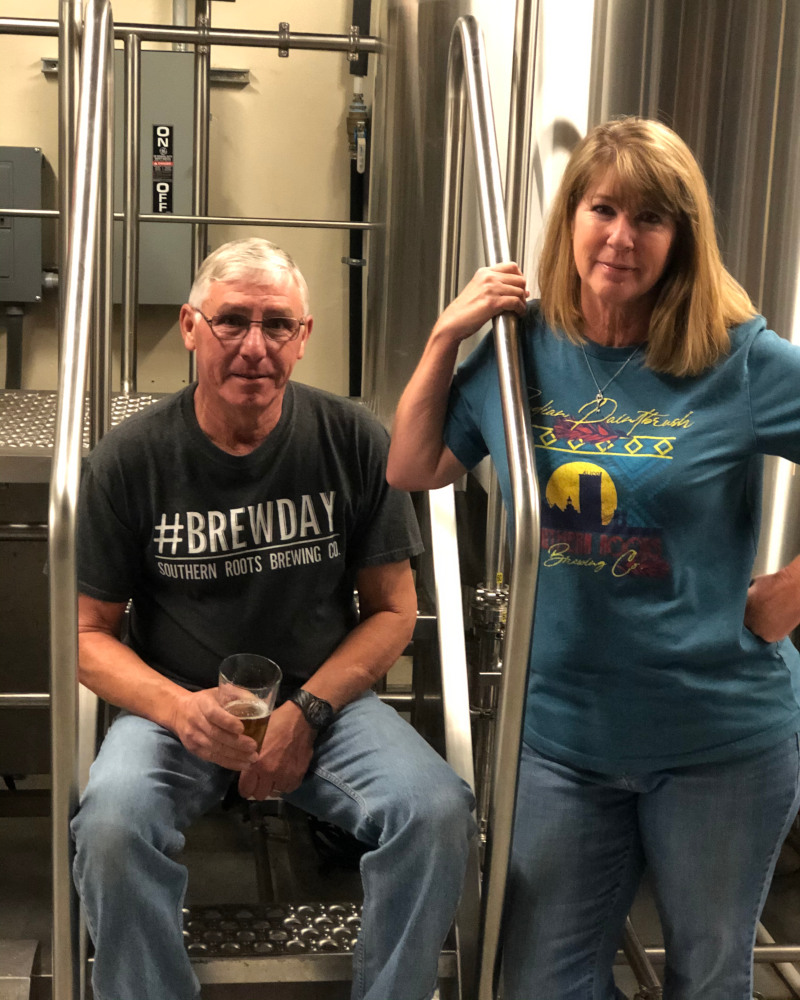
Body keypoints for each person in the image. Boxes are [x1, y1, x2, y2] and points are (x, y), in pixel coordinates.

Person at [387, 116, 800, 1000]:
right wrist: (445, 335)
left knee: (707, 978)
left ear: (682, 239)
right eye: (602, 209)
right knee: (542, 983)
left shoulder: (737, 358)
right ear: (570, 217)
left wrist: (788, 596)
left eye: (650, 218)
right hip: (565, 740)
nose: (620, 237)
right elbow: (414, 466)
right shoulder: (519, 349)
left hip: (716, 739)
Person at [72, 237, 476, 1000]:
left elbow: (395, 612)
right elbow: (86, 638)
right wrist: (180, 710)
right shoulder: (128, 460)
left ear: (304, 336)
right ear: (190, 327)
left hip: (323, 702)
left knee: (436, 812)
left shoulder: (354, 439)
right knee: (112, 830)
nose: (254, 347)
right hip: (181, 705)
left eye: (277, 324)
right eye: (231, 321)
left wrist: (309, 712)